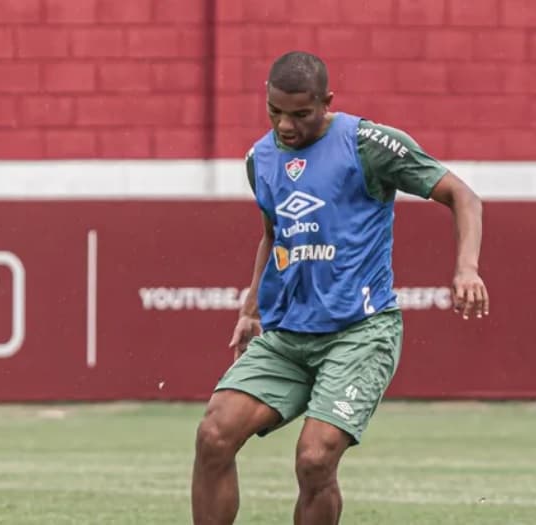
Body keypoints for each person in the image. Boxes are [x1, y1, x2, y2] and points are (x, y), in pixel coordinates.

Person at [190, 51, 489, 525]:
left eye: (300, 114)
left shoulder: (367, 143)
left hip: (359, 333)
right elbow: (274, 234)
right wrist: (251, 308)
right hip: (288, 336)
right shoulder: (260, 158)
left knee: (314, 460)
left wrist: (466, 268)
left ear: (327, 102)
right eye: (275, 112)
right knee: (213, 436)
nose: (285, 126)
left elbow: (462, 195)